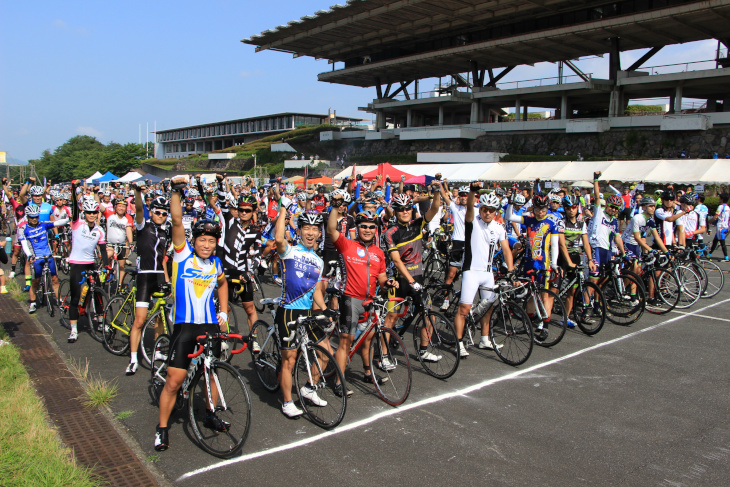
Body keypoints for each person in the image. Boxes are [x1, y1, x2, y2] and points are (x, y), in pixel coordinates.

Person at [155, 176, 228, 452]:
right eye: (202, 240)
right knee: (174, 381)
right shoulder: (182, 255)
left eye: (211, 241)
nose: (206, 245)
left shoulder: (216, 262)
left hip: (209, 325)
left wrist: (223, 311)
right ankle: (162, 429)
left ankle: (210, 414)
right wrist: (175, 191)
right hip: (185, 326)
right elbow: (176, 222)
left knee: (211, 373)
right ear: (194, 240)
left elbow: (222, 284)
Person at [271, 185, 330, 417]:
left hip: (308, 313)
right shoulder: (290, 251)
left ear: (319, 234)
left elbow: (315, 288)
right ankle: (287, 402)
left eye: (315, 229)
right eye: (306, 227)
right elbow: (278, 238)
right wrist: (283, 209)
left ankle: (308, 388)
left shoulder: (318, 260)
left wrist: (325, 310)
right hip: (289, 312)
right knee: (290, 359)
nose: (310, 232)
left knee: (325, 351)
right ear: (300, 230)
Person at [327, 206, 395, 398]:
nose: (367, 230)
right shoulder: (347, 245)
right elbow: (331, 230)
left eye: (371, 227)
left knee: (368, 339)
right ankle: (339, 381)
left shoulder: (378, 252)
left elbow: (381, 277)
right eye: (363, 226)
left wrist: (388, 283)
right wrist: (335, 205)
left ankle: (367, 372)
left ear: (376, 229)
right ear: (356, 227)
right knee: (346, 342)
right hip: (350, 299)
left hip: (369, 301)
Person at [383, 186, 443, 362]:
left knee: (428, 313)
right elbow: (396, 261)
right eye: (400, 209)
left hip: (417, 278)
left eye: (407, 208)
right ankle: (384, 355)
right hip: (399, 280)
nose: (404, 212)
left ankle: (423, 351)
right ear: (395, 211)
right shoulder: (390, 232)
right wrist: (410, 281)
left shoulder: (418, 224)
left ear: (412, 208)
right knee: (392, 317)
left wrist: (437, 190)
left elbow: (435, 208)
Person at [453, 188, 514, 357]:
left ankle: (484, 339)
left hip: (488, 273)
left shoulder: (499, 227)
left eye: (491, 210)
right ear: (481, 209)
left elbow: (507, 250)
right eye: (485, 209)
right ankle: (458, 343)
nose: (487, 213)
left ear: (496, 212)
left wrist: (511, 270)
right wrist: (472, 191)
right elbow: (470, 207)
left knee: (487, 308)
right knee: (464, 309)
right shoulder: (473, 221)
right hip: (471, 271)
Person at [127, 183, 171, 376]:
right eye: (158, 212)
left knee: (160, 316)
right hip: (144, 275)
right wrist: (138, 193)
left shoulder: (165, 232)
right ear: (151, 212)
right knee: (140, 320)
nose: (161, 216)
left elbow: (163, 260)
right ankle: (133, 359)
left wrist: (168, 280)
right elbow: (138, 209)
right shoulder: (143, 225)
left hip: (159, 276)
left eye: (164, 213)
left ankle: (159, 350)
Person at [66, 181, 110, 343]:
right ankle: (73, 329)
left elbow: (103, 250)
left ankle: (100, 321)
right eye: (89, 212)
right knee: (76, 297)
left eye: (94, 213)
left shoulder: (99, 230)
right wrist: (73, 189)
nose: (91, 215)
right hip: (76, 264)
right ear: (85, 213)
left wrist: (106, 266)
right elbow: (74, 206)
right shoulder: (77, 224)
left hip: (91, 263)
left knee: (97, 292)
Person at [18, 205, 69, 313]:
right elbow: (24, 245)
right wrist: (30, 255)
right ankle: (33, 302)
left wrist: (71, 218)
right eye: (32, 217)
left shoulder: (43, 225)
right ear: (27, 217)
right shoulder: (23, 229)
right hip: (36, 258)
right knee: (35, 282)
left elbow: (58, 223)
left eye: (36, 216)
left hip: (48, 255)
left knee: (55, 279)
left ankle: (59, 302)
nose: (34, 219)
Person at [557, 194, 594, 326]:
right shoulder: (561, 222)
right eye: (568, 208)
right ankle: (544, 319)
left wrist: (590, 260)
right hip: (562, 257)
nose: (571, 210)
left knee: (572, 290)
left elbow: (586, 243)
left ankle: (565, 318)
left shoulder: (581, 224)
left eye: (573, 207)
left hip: (576, 257)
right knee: (554, 290)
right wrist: (568, 262)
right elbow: (561, 245)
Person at [438, 184, 469, 311]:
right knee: (451, 274)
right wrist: (439, 183)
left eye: (466, 195)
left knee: (468, 276)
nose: (463, 197)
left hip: (470, 244)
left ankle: (466, 302)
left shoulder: (477, 210)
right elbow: (445, 196)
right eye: (461, 195)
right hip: (457, 243)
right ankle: (446, 300)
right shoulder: (456, 208)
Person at [105, 199, 134, 287]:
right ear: (116, 207)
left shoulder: (128, 217)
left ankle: (120, 285)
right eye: (119, 206)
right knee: (108, 254)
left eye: (123, 206)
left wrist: (131, 243)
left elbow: (128, 231)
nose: (121, 208)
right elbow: (100, 207)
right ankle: (104, 270)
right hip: (110, 243)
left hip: (121, 244)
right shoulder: (109, 214)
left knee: (122, 265)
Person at [709, 193, 730, 262]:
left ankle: (726, 257)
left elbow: (715, 216)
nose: (719, 199)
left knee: (722, 242)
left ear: (722, 199)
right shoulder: (728, 207)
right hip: (725, 226)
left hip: (720, 227)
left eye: (719, 198)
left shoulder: (720, 206)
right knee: (715, 241)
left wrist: (709, 221)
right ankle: (709, 254)